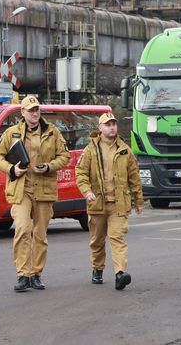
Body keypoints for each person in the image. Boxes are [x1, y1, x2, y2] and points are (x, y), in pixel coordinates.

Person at [0, 95, 69, 292]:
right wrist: (11, 169)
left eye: (37, 109)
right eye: (31, 110)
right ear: (23, 113)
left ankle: (36, 274)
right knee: (23, 229)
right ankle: (23, 274)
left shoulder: (52, 132)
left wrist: (50, 166)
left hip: (43, 188)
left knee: (40, 234)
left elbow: (64, 156)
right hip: (21, 188)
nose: (35, 113)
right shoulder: (11, 133)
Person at [75, 112, 145, 290]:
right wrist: (87, 191)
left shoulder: (125, 150)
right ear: (100, 128)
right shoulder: (91, 149)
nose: (112, 126)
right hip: (97, 203)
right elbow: (80, 173)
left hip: (118, 204)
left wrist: (139, 200)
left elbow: (134, 177)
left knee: (117, 238)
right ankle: (97, 268)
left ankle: (120, 273)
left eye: (114, 123)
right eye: (107, 124)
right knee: (97, 240)